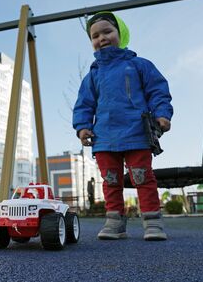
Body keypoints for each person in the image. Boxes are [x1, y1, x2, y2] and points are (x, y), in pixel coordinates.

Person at [73, 12, 173, 241]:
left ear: (121, 34)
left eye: (107, 31)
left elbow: (157, 91)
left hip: (136, 132)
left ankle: (152, 222)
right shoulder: (93, 75)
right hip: (105, 137)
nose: (102, 38)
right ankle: (115, 222)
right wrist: (82, 127)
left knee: (142, 177)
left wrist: (162, 114)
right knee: (111, 181)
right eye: (95, 35)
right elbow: (84, 104)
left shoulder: (138, 65)